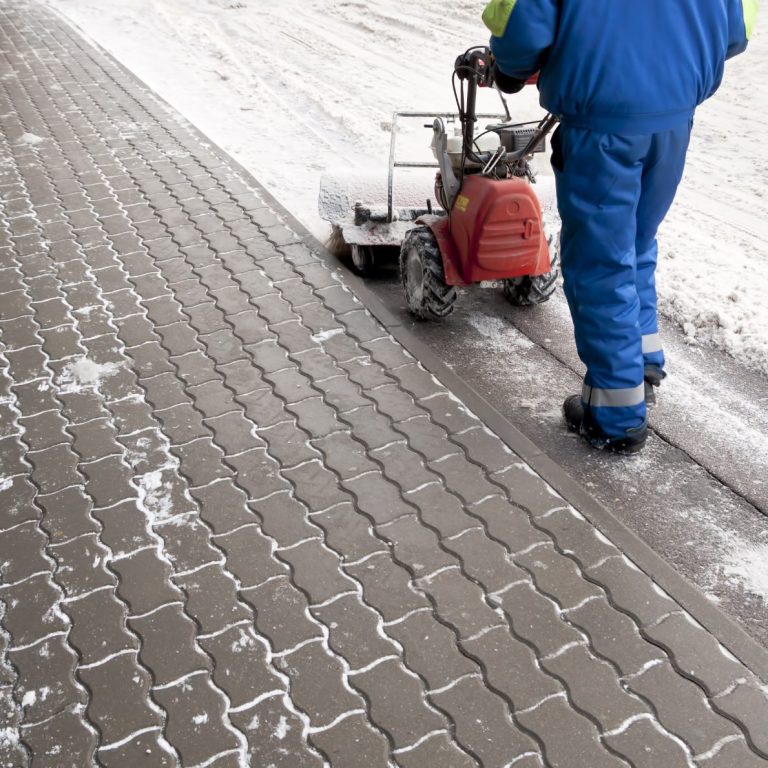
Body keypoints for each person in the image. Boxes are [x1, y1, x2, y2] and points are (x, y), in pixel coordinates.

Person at [484, 0, 758, 453]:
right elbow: (737, 30)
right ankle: (642, 361)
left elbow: (521, 26)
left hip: (602, 124)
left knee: (600, 263)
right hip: (673, 117)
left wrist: (509, 69)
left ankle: (616, 416)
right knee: (635, 241)